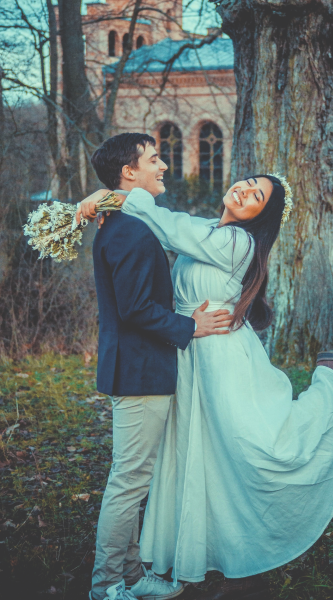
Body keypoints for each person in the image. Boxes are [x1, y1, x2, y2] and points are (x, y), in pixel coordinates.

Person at [78, 154, 333, 600]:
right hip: (190, 356)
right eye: (247, 182)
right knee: (203, 457)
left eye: (256, 195)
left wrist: (112, 196)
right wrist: (109, 204)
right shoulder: (210, 229)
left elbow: (168, 225)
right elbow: (159, 238)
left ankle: (331, 380)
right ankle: (217, 559)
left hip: (222, 360)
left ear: (261, 214)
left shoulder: (238, 242)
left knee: (251, 449)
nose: (244, 190)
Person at [88, 133, 234, 600]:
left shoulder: (126, 221)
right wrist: (190, 326)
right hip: (139, 370)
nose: (163, 165)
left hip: (141, 367)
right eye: (154, 159)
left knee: (134, 480)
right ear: (128, 172)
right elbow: (134, 309)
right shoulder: (129, 230)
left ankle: (132, 576)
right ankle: (107, 585)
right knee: (128, 482)